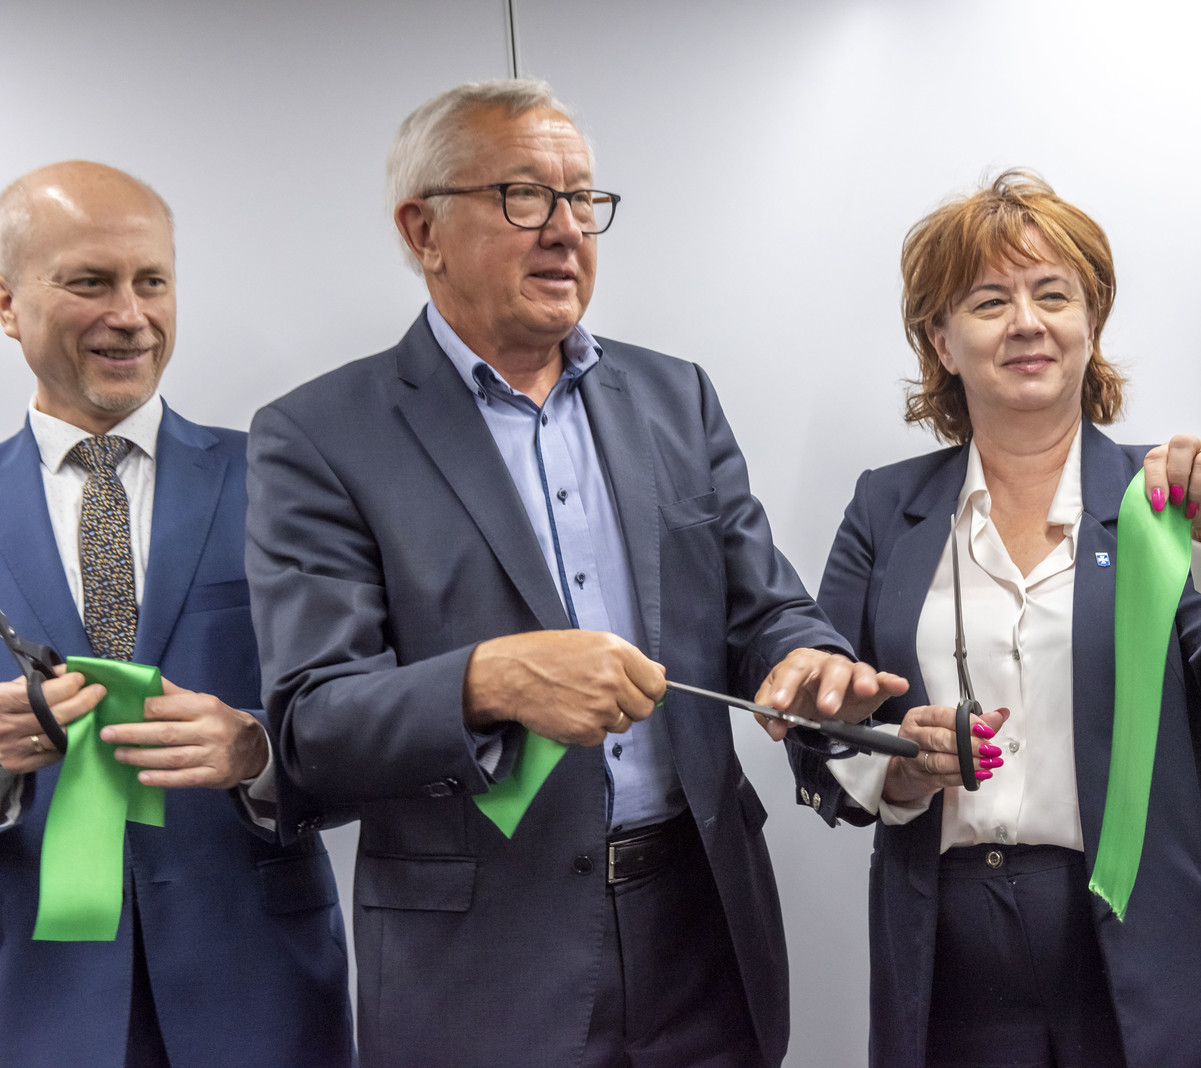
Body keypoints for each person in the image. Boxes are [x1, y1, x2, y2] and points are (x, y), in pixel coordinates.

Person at [244, 78, 905, 1068]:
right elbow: (314, 728)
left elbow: (763, 608)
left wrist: (807, 659)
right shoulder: (319, 436)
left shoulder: (675, 396)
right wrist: (489, 680)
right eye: (523, 196)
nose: (565, 230)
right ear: (423, 231)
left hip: (703, 930)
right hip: (483, 966)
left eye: (583, 198)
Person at [791, 170, 1201, 1067]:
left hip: (1160, 941)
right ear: (941, 341)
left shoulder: (1168, 500)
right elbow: (821, 729)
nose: (1027, 323)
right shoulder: (885, 510)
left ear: (1090, 322)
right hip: (950, 957)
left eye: (1053, 295)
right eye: (988, 301)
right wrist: (903, 769)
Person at [0, 162, 351, 1068]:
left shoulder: (289, 482)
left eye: (152, 281)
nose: (131, 315)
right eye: (91, 282)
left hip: (260, 990)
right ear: (7, 305)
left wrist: (258, 752)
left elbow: (370, 714)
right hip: (29, 1001)